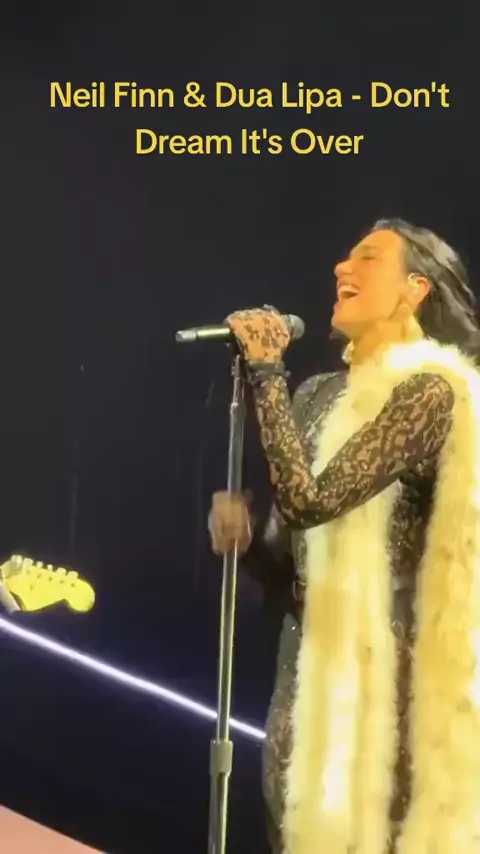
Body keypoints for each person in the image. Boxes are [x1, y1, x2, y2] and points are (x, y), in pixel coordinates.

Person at [208, 219, 480, 854]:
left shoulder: (432, 392)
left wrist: (266, 372)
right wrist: (247, 544)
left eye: (368, 258)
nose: (341, 268)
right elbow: (291, 561)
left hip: (392, 702)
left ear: (415, 289)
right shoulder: (316, 395)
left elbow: (311, 501)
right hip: (305, 688)